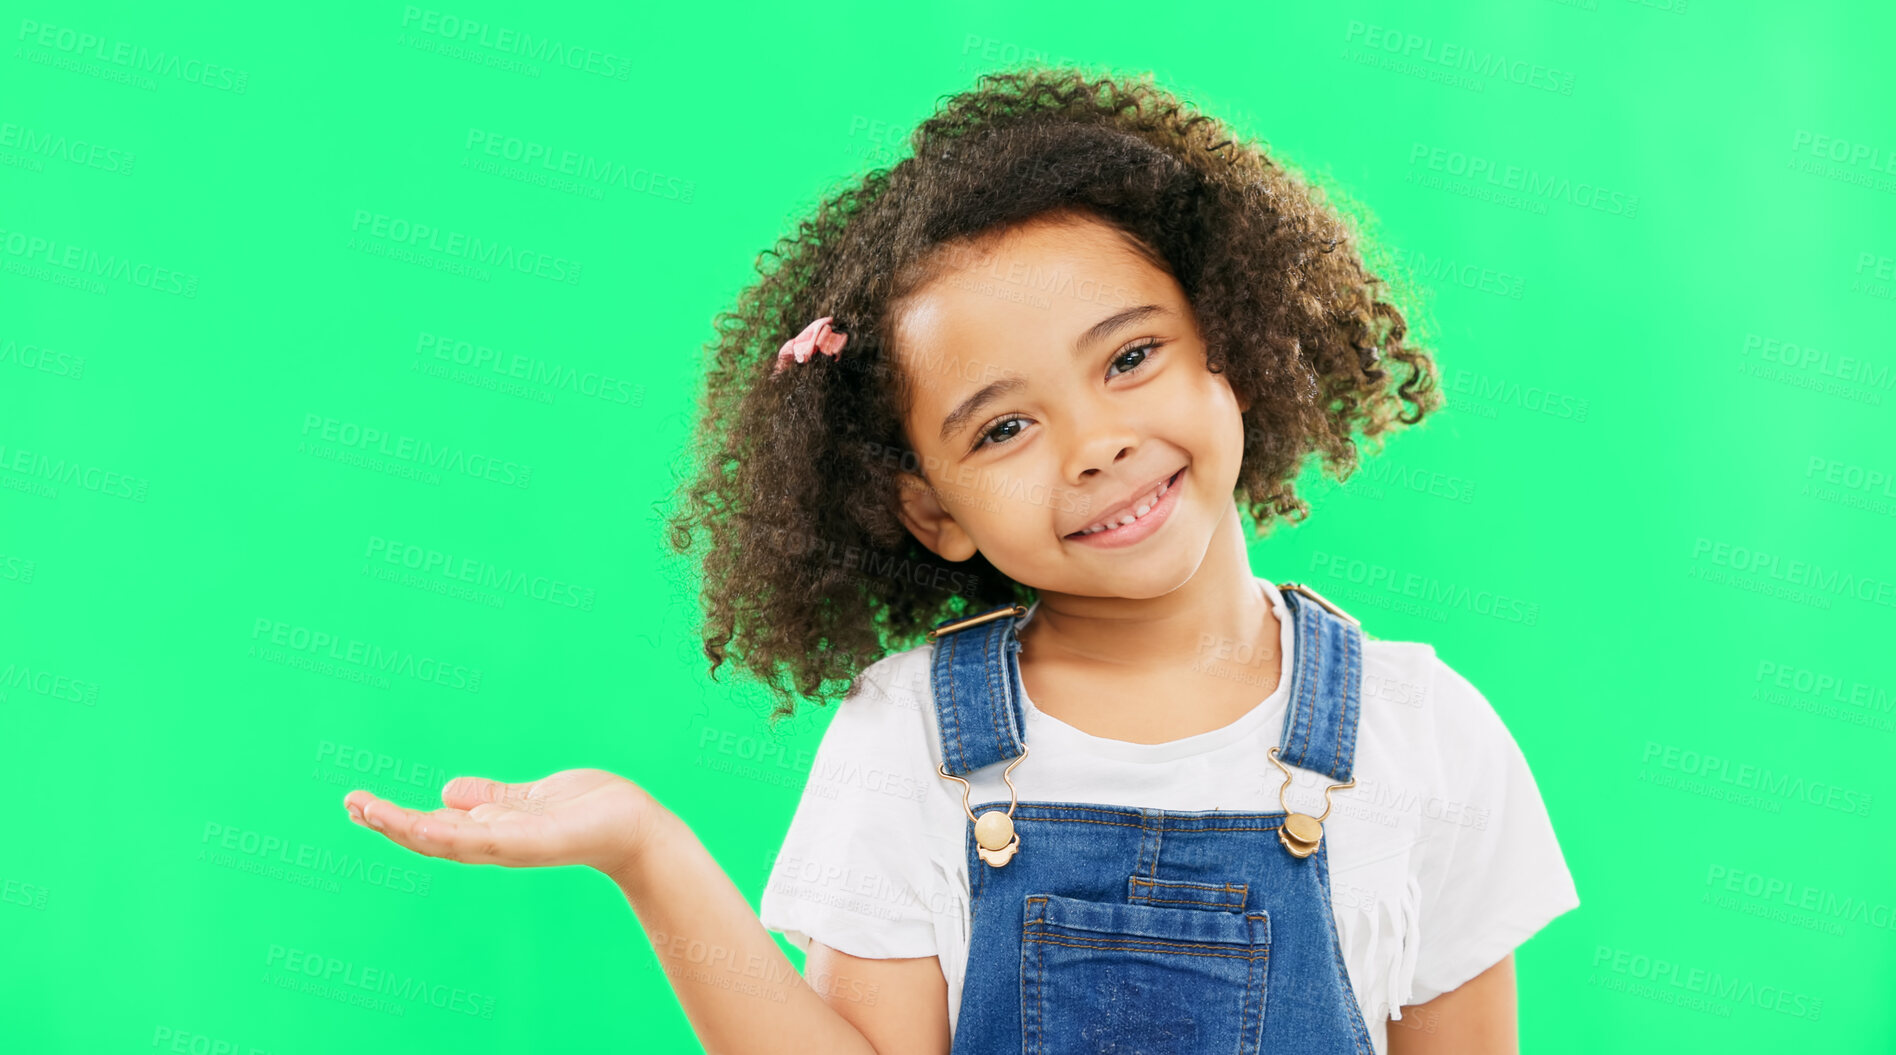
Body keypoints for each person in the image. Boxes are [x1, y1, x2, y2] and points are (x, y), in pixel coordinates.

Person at [342, 66, 1578, 1054]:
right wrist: (647, 849)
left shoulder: (1426, 737)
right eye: (1004, 427)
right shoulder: (910, 740)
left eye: (1131, 356)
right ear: (932, 510)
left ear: (1231, 348)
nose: (1096, 445)